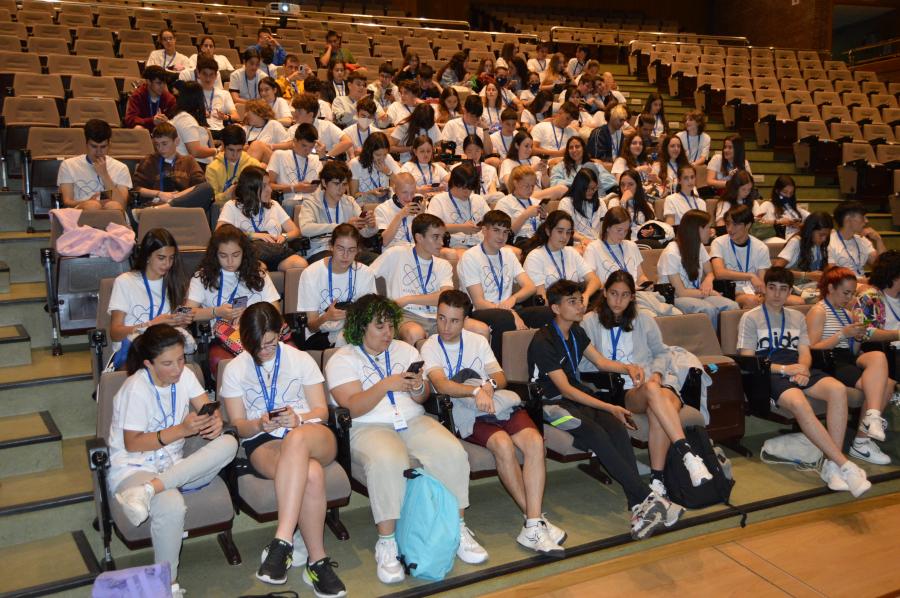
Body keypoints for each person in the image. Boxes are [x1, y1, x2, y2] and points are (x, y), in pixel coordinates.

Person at [325, 294, 488, 584]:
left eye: (391, 326)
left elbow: (423, 397)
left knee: (452, 451)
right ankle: (387, 543)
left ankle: (457, 527)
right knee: (389, 460)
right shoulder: (342, 358)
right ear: (361, 327)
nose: (388, 333)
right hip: (367, 426)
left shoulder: (406, 350)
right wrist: (385, 385)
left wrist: (417, 388)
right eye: (380, 327)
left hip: (412, 420)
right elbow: (351, 406)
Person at [528, 280, 685, 540]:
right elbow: (565, 390)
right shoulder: (543, 340)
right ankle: (649, 498)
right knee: (596, 433)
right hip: (549, 404)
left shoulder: (576, 332)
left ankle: (637, 506)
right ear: (555, 308)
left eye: (580, 300)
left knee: (616, 427)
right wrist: (609, 406)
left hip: (575, 397)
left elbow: (600, 361)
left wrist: (628, 368)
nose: (580, 306)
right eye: (572, 302)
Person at [422, 289, 565, 555]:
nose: (446, 327)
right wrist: (476, 391)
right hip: (463, 411)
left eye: (454, 321)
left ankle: (533, 523)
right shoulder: (430, 345)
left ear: (465, 320)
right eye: (441, 318)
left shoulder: (476, 341)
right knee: (502, 444)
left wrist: (487, 386)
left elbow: (500, 377)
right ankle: (535, 522)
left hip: (494, 404)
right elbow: (442, 385)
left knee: (535, 442)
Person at [220, 303, 345, 592]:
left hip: (311, 432)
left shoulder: (300, 359)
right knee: (311, 474)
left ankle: (283, 539)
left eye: (271, 343)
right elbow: (238, 426)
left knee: (296, 439)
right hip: (264, 441)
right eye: (257, 345)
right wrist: (259, 424)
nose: (264, 351)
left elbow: (321, 411)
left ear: (280, 334)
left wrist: (298, 419)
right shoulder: (235, 369)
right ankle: (318, 562)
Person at [109, 325, 238, 597]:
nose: (178, 368)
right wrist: (181, 430)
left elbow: (207, 408)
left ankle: (148, 491)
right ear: (149, 363)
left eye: (180, 359)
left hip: (175, 467)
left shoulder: (186, 376)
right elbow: (133, 443)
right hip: (135, 467)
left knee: (228, 443)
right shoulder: (136, 388)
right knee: (171, 504)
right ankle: (166, 585)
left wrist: (214, 422)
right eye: (168, 363)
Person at [736, 267, 871, 495]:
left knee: (837, 390)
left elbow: (805, 352)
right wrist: (785, 369)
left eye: (783, 289)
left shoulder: (797, 317)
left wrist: (804, 369)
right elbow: (749, 360)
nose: (777, 294)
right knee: (799, 401)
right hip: (769, 371)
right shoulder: (750, 318)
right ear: (764, 289)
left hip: (797, 366)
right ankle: (844, 464)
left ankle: (831, 466)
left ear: (790, 292)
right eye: (772, 288)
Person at [580, 270, 713, 494]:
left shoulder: (643, 319)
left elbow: (661, 353)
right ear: (604, 293)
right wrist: (622, 368)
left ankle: (657, 480)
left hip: (655, 383)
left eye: (624, 295)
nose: (618, 300)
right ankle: (687, 454)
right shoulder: (589, 322)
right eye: (613, 293)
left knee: (655, 407)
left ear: (632, 297)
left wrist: (657, 374)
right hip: (624, 391)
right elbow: (584, 365)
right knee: (653, 393)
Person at [807, 266, 895, 462]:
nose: (849, 298)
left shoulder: (846, 313)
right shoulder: (818, 311)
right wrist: (842, 334)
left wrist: (857, 337)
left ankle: (868, 426)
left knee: (879, 359)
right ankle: (863, 442)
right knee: (885, 385)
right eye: (846, 293)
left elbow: (853, 351)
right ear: (831, 288)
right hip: (828, 361)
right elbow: (812, 348)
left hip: (846, 358)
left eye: (852, 293)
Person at [372, 214, 488, 345]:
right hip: (406, 314)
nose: (441, 242)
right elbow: (367, 275)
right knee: (414, 333)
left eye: (442, 237)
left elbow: (445, 298)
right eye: (435, 237)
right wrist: (381, 306)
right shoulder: (396, 253)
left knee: (481, 329)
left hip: (440, 316)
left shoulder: (443, 265)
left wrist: (408, 299)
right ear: (419, 238)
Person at [184, 224, 281, 376]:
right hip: (223, 338)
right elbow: (187, 312)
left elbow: (275, 310)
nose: (230, 261)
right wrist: (217, 312)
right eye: (223, 256)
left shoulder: (258, 274)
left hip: (258, 333)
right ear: (214, 255)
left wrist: (249, 317)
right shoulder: (202, 277)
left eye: (236, 255)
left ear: (244, 253)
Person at [458, 210, 550, 358]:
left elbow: (530, 287)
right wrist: (511, 312)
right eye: (496, 230)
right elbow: (479, 302)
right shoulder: (471, 257)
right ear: (484, 230)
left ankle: (540, 366)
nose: (501, 237)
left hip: (508, 309)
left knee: (547, 313)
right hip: (480, 312)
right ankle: (500, 368)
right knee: (504, 319)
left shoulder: (508, 254)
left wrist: (513, 299)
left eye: (505, 232)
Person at [108, 229, 191, 356]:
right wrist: (151, 324)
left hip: (164, 352)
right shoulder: (125, 281)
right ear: (147, 256)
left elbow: (176, 326)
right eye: (161, 258)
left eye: (171, 258)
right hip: (133, 352)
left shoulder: (176, 283)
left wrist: (180, 323)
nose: (167, 264)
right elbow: (115, 333)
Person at [297, 224, 376, 350]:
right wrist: (326, 317)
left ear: (358, 250)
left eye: (351, 250)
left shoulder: (366, 273)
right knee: (348, 339)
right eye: (340, 249)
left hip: (354, 329)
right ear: (331, 247)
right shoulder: (311, 273)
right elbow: (311, 327)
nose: (345, 255)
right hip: (320, 334)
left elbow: (370, 316)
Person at [216, 166, 306, 273]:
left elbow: (295, 231)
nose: (270, 189)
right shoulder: (232, 206)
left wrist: (284, 236)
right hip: (250, 255)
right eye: (264, 186)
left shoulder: (273, 205)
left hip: (275, 252)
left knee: (300, 264)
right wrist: (253, 235)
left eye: (269, 184)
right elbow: (220, 232)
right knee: (260, 268)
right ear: (250, 188)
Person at [658, 209, 738, 327]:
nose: (711, 231)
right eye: (708, 227)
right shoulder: (671, 253)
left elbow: (710, 272)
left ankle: (728, 338)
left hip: (698, 294)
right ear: (697, 229)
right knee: (707, 310)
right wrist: (710, 293)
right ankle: (711, 339)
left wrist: (708, 280)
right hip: (676, 298)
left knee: (732, 306)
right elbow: (680, 292)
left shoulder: (699, 246)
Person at [298, 161, 378, 263]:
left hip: (349, 250)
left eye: (344, 184)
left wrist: (371, 226)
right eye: (336, 184)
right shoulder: (311, 203)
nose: (341, 189)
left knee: (378, 261)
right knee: (335, 262)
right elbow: (306, 229)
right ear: (324, 183)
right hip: (321, 250)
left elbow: (364, 232)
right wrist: (342, 227)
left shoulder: (350, 201)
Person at [522, 210, 600, 305]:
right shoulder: (535, 257)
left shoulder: (572, 252)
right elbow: (542, 297)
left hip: (575, 304)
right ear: (548, 231)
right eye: (560, 231)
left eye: (568, 232)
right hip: (551, 308)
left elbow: (595, 280)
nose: (564, 237)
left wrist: (585, 296)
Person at [132, 122, 214, 211]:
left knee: (207, 188)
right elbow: (136, 189)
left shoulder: (188, 161)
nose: (160, 148)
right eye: (157, 144)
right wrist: (159, 194)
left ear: (176, 141)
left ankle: (166, 206)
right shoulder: (149, 161)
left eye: (164, 143)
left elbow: (199, 187)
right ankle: (163, 207)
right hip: (156, 205)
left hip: (180, 209)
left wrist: (175, 197)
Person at [710, 205, 779, 308]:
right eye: (728, 224)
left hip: (754, 293)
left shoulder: (761, 247)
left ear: (748, 225)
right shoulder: (719, 243)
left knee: (796, 301)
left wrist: (762, 295)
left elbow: (762, 280)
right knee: (751, 300)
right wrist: (750, 276)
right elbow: (719, 273)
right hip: (731, 292)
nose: (730, 229)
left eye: (735, 224)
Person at [57, 119, 131, 211]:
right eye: (94, 146)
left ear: (109, 145)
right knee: (92, 206)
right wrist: (88, 202)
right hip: (81, 212)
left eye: (103, 147)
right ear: (86, 143)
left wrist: (104, 174)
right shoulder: (68, 165)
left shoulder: (121, 168)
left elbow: (122, 205)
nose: (98, 152)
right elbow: (67, 202)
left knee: (113, 206)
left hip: (110, 211)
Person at [425, 162, 490, 258]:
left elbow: (492, 220)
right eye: (464, 188)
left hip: (481, 243)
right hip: (456, 245)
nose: (467, 192)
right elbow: (432, 228)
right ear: (454, 183)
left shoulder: (478, 199)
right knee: (469, 257)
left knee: (508, 252)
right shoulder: (439, 200)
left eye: (470, 188)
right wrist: (461, 228)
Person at [266, 123, 321, 218]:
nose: (307, 150)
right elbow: (269, 185)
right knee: (291, 205)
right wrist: (294, 188)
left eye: (311, 147)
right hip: (289, 201)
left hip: (312, 201)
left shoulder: (317, 159)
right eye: (304, 145)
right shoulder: (279, 155)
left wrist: (323, 157)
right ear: (295, 141)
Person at [205, 125, 263, 208]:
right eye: (231, 150)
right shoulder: (212, 168)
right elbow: (211, 200)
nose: (235, 155)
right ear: (223, 145)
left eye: (239, 150)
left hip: (249, 207)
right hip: (223, 209)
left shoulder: (253, 165)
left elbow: (261, 193)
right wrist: (226, 195)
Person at [828, 201, 886, 278]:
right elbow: (831, 276)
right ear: (848, 218)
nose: (866, 221)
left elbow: (883, 267)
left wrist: (878, 240)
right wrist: (862, 281)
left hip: (863, 283)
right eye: (862, 217)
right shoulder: (830, 242)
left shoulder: (862, 240)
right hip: (843, 284)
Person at [772, 212, 833, 283]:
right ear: (810, 230)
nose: (824, 239)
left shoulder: (821, 245)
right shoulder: (796, 242)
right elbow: (776, 270)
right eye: (821, 235)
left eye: (827, 235)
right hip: (795, 287)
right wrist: (806, 275)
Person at [496, 165, 545, 247]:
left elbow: (545, 232)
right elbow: (505, 235)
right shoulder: (504, 203)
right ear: (515, 183)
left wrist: (543, 219)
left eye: (533, 186)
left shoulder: (536, 202)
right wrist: (525, 215)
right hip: (519, 242)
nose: (530, 190)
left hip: (539, 240)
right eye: (526, 186)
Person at [169, 82, 217, 166]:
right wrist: (216, 151)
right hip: (193, 166)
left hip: (195, 164)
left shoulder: (182, 116)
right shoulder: (185, 119)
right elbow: (195, 151)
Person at [858, 250, 900, 345]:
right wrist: (897, 335)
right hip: (888, 350)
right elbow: (865, 333)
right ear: (895, 276)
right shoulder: (870, 298)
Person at [558, 168, 607, 246]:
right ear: (579, 187)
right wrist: (583, 239)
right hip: (578, 244)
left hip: (597, 244)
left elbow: (605, 227)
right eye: (588, 188)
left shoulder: (600, 202)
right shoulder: (566, 202)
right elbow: (566, 229)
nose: (592, 191)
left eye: (594, 188)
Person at [549, 136, 616, 193]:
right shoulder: (559, 167)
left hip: (594, 197)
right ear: (567, 151)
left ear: (583, 149)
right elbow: (554, 183)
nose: (574, 150)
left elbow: (610, 181)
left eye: (577, 146)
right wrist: (580, 184)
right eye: (571, 147)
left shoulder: (595, 166)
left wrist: (587, 185)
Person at [194, 57, 239, 137]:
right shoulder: (192, 93)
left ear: (216, 76)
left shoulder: (224, 94)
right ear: (198, 74)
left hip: (219, 132)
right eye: (205, 74)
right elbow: (184, 116)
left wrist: (225, 117)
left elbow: (236, 116)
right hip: (199, 131)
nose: (208, 79)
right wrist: (198, 115)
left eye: (211, 75)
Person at [348, 132, 400, 200]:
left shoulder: (387, 158)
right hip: (365, 203)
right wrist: (370, 193)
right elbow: (354, 195)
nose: (382, 158)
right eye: (378, 155)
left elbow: (402, 182)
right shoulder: (355, 164)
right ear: (368, 152)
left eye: (385, 154)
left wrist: (388, 172)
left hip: (386, 201)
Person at [607, 169, 656, 241]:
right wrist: (623, 202)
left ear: (638, 186)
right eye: (622, 185)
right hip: (623, 241)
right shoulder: (614, 202)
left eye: (630, 184)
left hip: (644, 241)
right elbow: (615, 225)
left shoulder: (647, 205)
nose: (625, 188)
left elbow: (654, 225)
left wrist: (652, 231)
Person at [125, 65, 176, 131]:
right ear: (148, 82)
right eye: (159, 83)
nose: (162, 86)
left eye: (164, 83)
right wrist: (152, 121)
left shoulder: (170, 99)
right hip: (145, 131)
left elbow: (175, 120)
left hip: (163, 133)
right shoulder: (137, 96)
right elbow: (130, 119)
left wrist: (168, 122)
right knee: (138, 128)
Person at [758, 175, 809, 240]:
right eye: (785, 192)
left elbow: (814, 220)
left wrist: (799, 225)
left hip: (794, 241)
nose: (788, 196)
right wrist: (778, 222)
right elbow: (756, 225)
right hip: (775, 243)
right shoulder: (767, 205)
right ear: (777, 191)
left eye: (791, 193)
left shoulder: (795, 209)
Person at [242, 99, 291, 164]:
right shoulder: (246, 128)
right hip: (258, 164)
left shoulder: (273, 124)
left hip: (273, 161)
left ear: (260, 113)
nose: (246, 115)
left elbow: (290, 144)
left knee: (257, 145)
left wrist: (271, 146)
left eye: (249, 112)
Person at [455, 134, 501, 201]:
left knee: (499, 195)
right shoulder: (457, 169)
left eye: (477, 150)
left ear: (481, 150)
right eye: (470, 151)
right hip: (467, 200)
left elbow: (493, 191)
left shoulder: (490, 169)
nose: (474, 154)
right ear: (464, 152)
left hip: (487, 201)